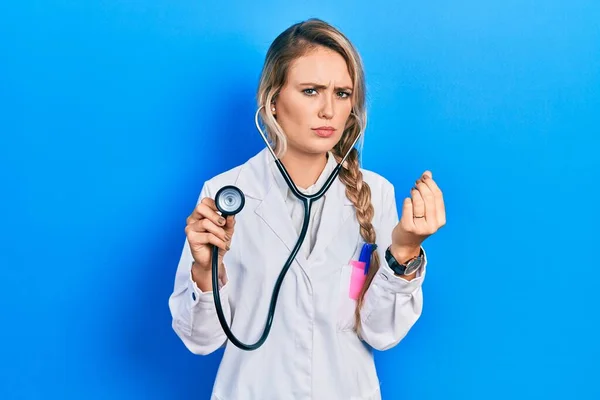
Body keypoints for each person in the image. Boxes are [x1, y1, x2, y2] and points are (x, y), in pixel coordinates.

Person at [168, 18, 446, 400]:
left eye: (343, 94)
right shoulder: (224, 194)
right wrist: (205, 270)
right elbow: (201, 340)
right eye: (311, 91)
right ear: (273, 101)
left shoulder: (376, 193)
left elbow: (382, 333)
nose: (329, 110)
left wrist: (404, 251)